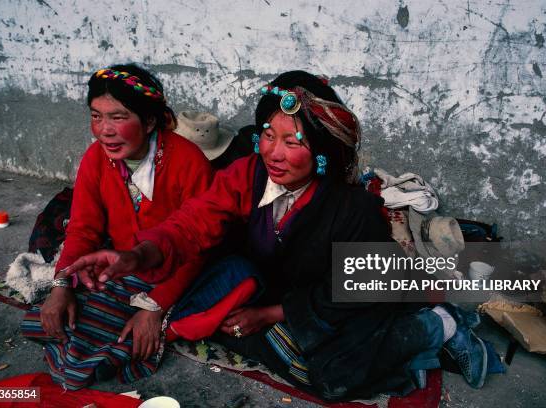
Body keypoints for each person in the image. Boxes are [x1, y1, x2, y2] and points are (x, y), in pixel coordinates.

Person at [67, 71, 489, 400]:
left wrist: (273, 314)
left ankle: (441, 325)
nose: (274, 152)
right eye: (268, 136)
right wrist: (138, 256)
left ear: (322, 151)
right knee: (213, 319)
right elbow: (193, 221)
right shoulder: (245, 174)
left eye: (293, 141)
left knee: (330, 375)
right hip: (281, 287)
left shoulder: (352, 210)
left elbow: (350, 288)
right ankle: (397, 349)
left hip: (347, 297)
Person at [20, 64, 259, 390]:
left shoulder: (189, 162)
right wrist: (61, 284)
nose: (104, 130)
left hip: (175, 272)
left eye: (118, 117)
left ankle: (149, 327)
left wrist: (154, 308)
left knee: (101, 347)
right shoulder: (95, 159)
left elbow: (198, 246)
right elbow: (83, 230)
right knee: (55, 316)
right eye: (96, 116)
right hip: (122, 267)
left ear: (148, 121)